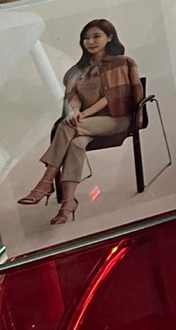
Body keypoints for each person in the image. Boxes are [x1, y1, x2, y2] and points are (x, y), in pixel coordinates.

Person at [18, 20, 143, 227]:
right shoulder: (79, 70)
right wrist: (75, 111)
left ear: (110, 37)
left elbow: (112, 97)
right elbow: (73, 96)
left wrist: (82, 115)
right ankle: (68, 203)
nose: (90, 42)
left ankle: (46, 181)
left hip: (117, 119)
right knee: (76, 143)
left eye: (96, 36)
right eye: (86, 38)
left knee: (67, 126)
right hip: (87, 122)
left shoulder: (122, 63)